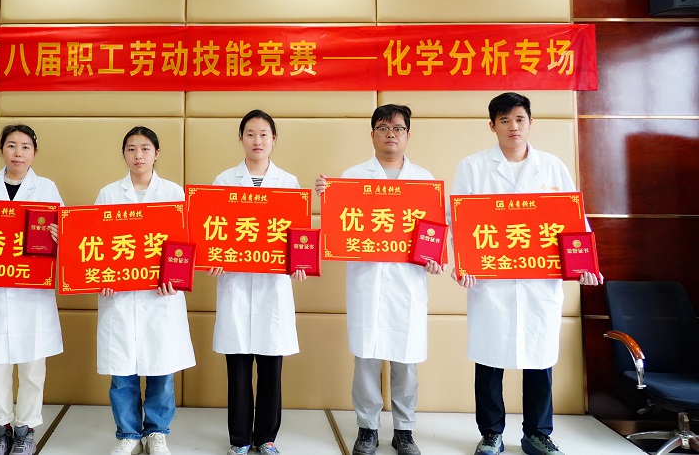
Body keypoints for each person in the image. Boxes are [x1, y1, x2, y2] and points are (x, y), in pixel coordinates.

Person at [452, 92, 602, 455]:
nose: (513, 127)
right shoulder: (472, 167)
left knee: (539, 360)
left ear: (530, 123)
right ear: (492, 126)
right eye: (504, 120)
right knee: (489, 359)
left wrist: (585, 265)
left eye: (519, 119)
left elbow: (574, 221)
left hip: (539, 284)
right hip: (491, 283)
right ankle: (491, 433)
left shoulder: (552, 167)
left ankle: (537, 433)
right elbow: (457, 222)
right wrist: (464, 264)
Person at [314, 104, 441, 455]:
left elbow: (434, 234)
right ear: (372, 135)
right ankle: (367, 427)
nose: (390, 134)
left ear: (408, 135)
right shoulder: (352, 177)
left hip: (407, 283)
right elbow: (337, 231)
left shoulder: (425, 181)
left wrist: (435, 259)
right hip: (367, 283)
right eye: (383, 128)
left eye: (398, 128)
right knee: (366, 360)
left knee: (406, 361)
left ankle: (404, 429)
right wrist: (327, 196)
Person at [209, 110, 306, 455]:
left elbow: (297, 233)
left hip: (272, 287)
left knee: (270, 368)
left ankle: (266, 437)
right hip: (235, 285)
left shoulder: (288, 182)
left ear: (273, 140)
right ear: (241, 139)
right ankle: (239, 439)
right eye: (250, 134)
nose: (257, 140)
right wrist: (212, 258)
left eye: (264, 134)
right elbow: (212, 227)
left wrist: (299, 262)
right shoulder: (224, 180)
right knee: (237, 368)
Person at [94, 127, 195, 455]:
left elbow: (183, 244)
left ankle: (157, 432)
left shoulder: (173, 193)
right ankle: (128, 434)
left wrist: (175, 279)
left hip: (160, 297)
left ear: (157, 153)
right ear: (124, 154)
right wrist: (101, 276)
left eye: (145, 148)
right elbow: (94, 243)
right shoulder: (109, 194)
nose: (138, 155)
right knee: (122, 371)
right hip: (120, 297)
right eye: (131, 149)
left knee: (161, 369)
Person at [0, 124, 64, 455]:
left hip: (31, 292)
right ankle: (1, 428)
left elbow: (66, 237)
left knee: (32, 366)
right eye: (11, 145)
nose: (18, 153)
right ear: (1, 150)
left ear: (34, 152)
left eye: (25, 147)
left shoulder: (46, 188)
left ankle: (25, 429)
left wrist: (59, 234)